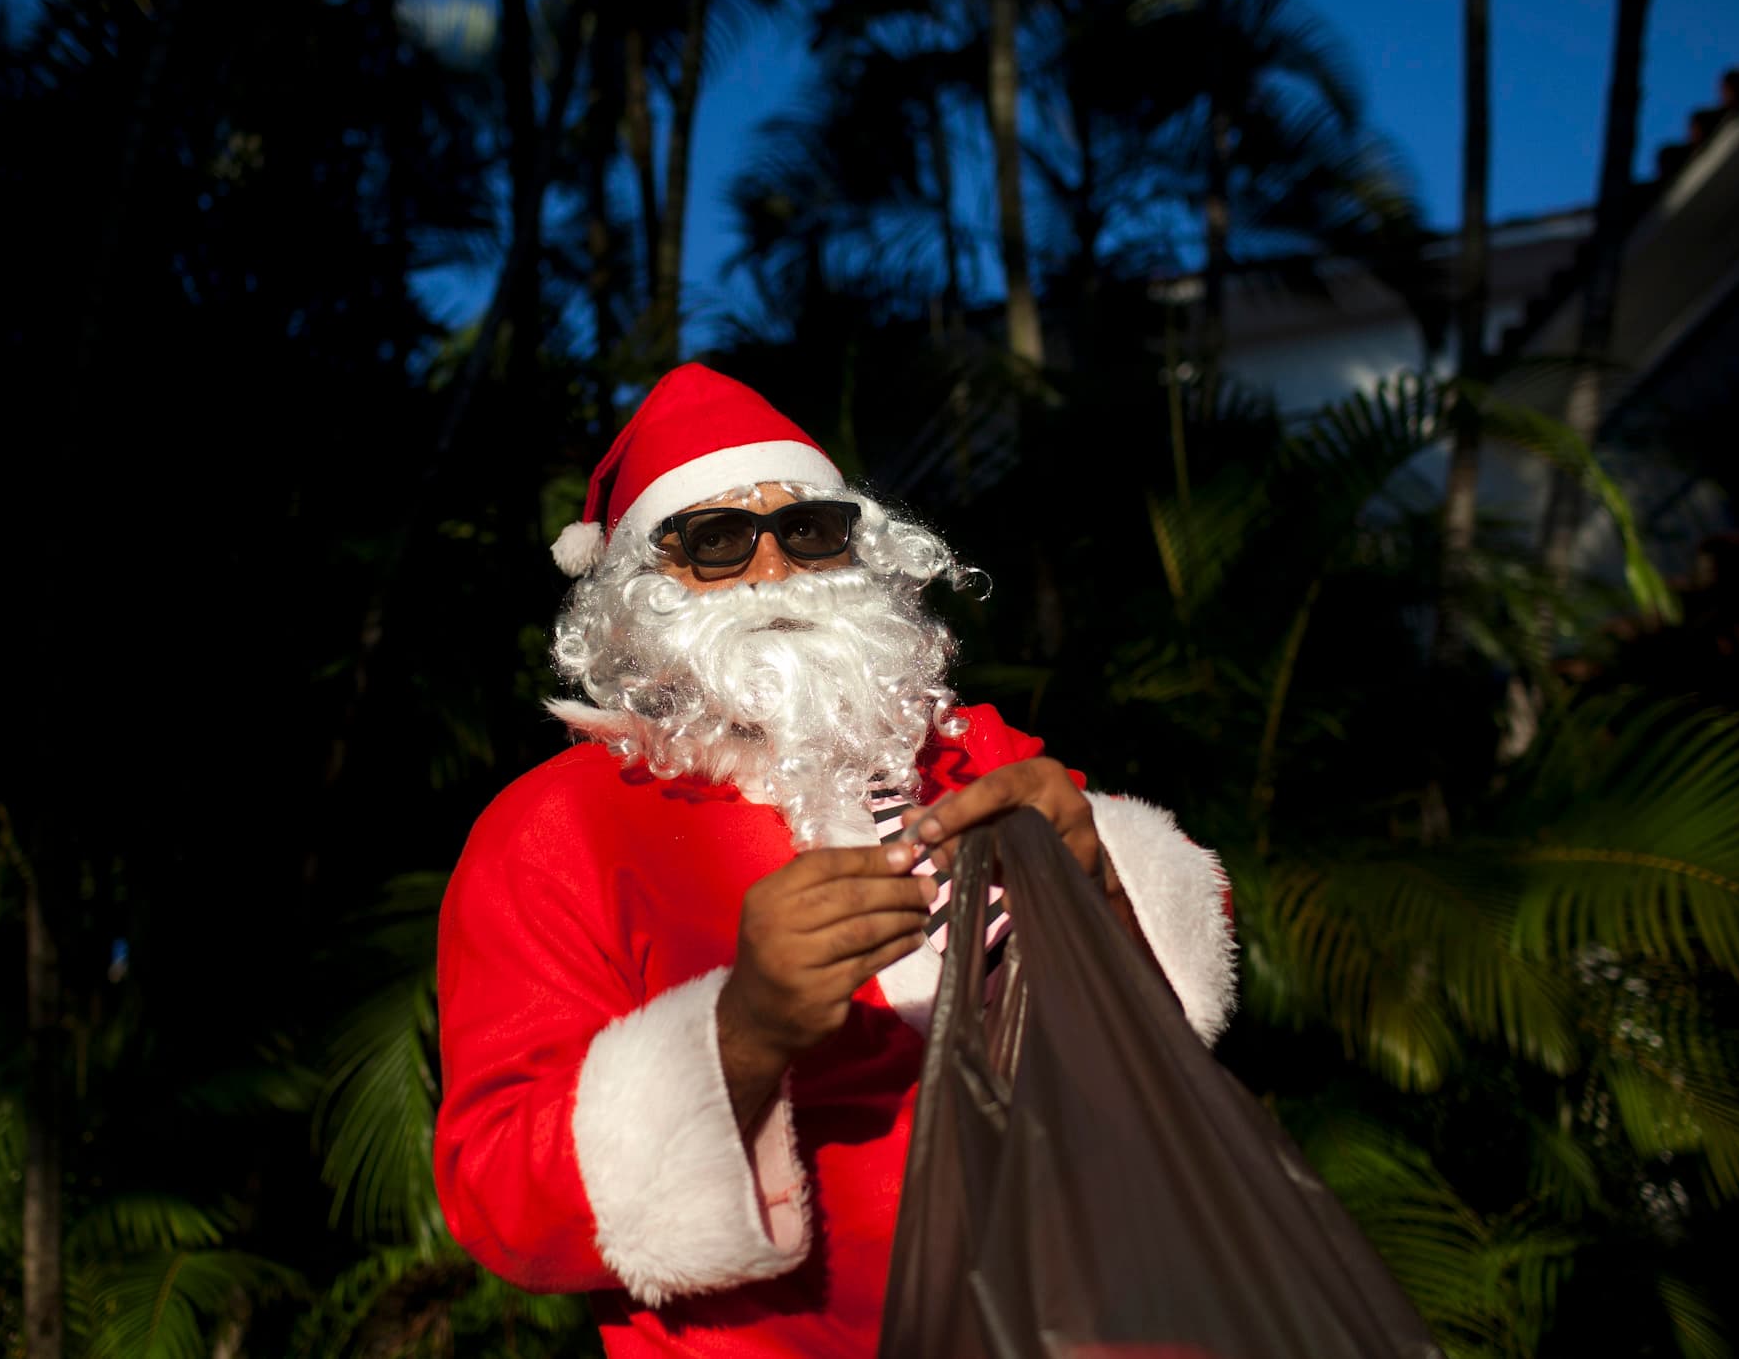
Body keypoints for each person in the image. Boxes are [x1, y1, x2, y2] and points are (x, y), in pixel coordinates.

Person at [432, 364, 1236, 1358]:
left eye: (809, 532)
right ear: (639, 593)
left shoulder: (977, 756)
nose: (774, 572)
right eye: (716, 543)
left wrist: (1104, 888)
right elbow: (501, 1197)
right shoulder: (553, 828)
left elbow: (1168, 1031)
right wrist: (740, 1032)